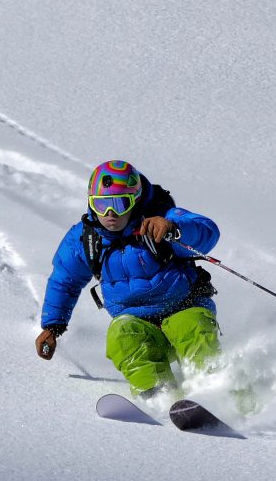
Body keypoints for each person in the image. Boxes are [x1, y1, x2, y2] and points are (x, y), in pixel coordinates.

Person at [34, 160, 221, 399]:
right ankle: (159, 395)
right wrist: (52, 326)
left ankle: (215, 390)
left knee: (192, 329)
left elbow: (207, 231)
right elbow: (64, 280)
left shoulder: (160, 219)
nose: (109, 214)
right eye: (101, 204)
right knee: (121, 336)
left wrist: (175, 228)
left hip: (183, 306)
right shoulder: (85, 239)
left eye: (119, 204)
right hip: (137, 321)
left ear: (134, 200)